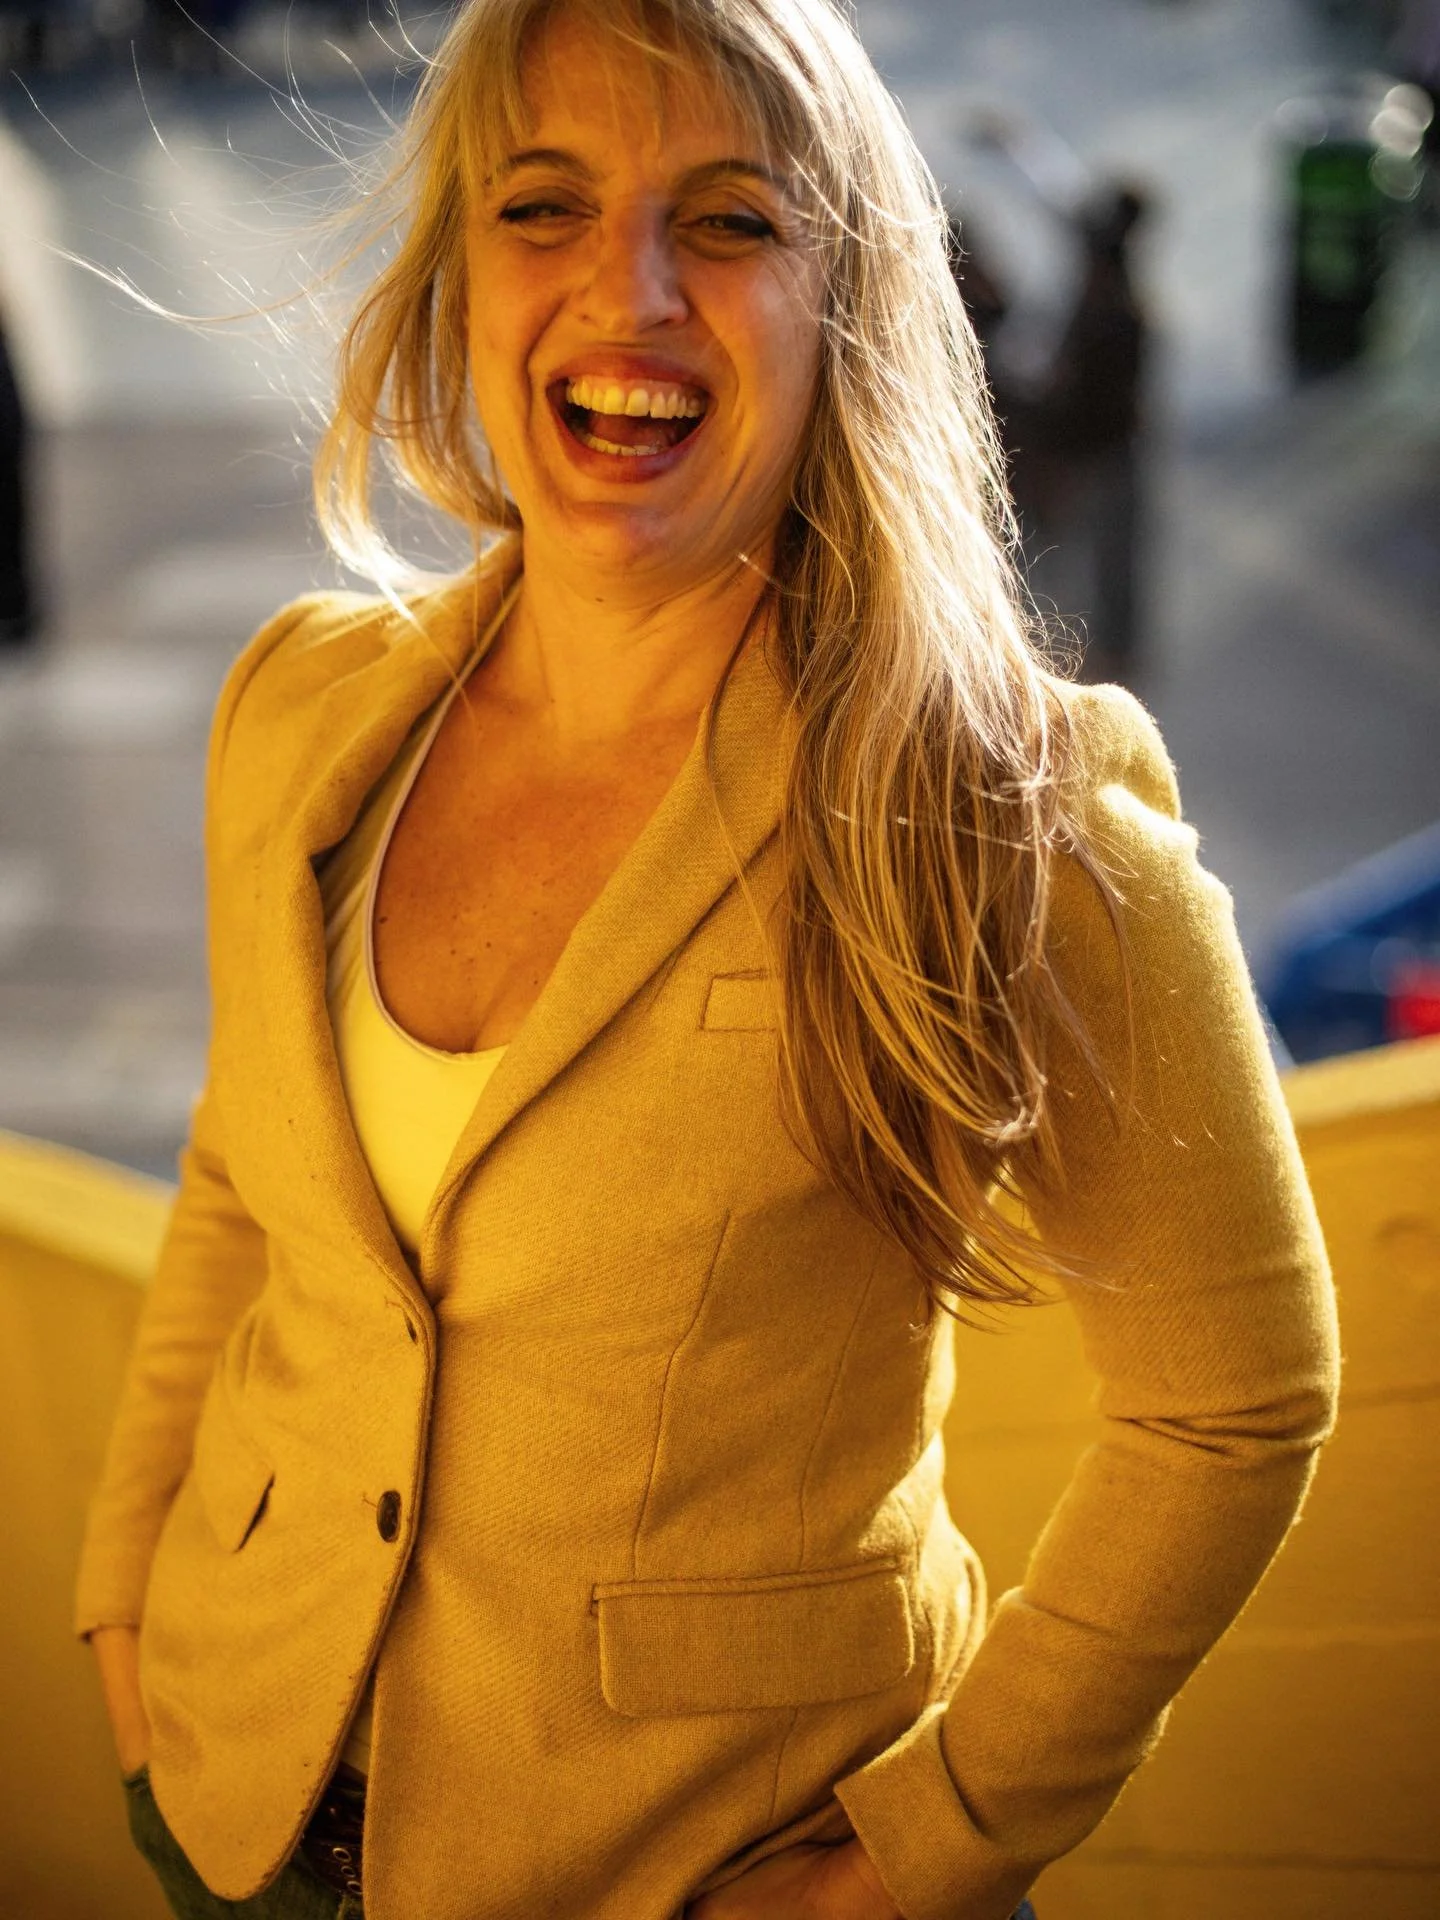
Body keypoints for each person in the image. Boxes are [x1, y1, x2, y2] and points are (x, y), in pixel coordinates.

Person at [75, 3, 1339, 1919]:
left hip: (681, 1867)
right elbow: (244, 1186)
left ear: (850, 302)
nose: (629, 290)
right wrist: (121, 1611)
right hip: (232, 1811)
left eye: (732, 222)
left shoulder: (1005, 815)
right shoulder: (305, 712)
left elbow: (1235, 1400)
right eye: (546, 206)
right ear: (457, 275)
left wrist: (920, 1853)